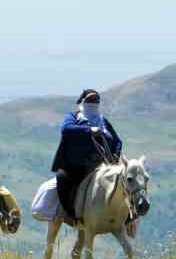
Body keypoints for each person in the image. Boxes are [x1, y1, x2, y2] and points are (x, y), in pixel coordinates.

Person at [51, 89, 123, 223]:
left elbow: (118, 141)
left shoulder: (103, 121)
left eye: (96, 101)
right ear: (83, 102)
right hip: (76, 165)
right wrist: (89, 130)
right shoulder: (73, 117)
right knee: (62, 179)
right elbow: (66, 129)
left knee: (126, 182)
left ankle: (128, 216)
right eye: (90, 101)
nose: (93, 103)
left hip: (102, 164)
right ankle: (72, 215)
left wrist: (115, 156)